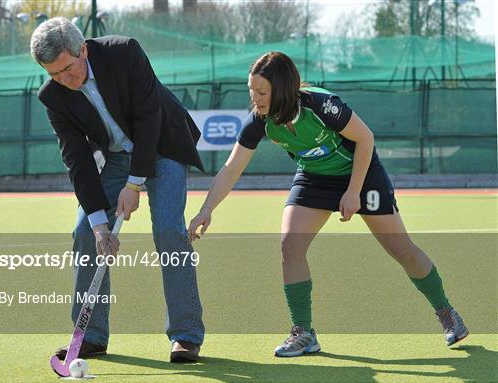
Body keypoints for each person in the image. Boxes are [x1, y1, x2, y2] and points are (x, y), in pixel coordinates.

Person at [188, 52, 468, 357]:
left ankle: (447, 313)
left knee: (401, 249)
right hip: (314, 178)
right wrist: (207, 209)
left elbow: (365, 138)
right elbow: (232, 168)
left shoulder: (321, 105)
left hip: (360, 174)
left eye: (261, 92)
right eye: (251, 91)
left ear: (281, 89)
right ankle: (304, 333)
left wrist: (353, 191)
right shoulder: (259, 120)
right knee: (289, 246)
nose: (255, 99)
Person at [30, 17, 204, 363]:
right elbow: (76, 160)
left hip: (162, 144)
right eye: (54, 74)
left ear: (83, 49)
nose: (65, 80)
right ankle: (90, 335)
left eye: (67, 69)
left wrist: (134, 184)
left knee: (169, 229)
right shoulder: (53, 97)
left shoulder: (124, 51)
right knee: (83, 231)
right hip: (116, 157)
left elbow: (148, 115)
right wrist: (99, 225)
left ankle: (185, 335)